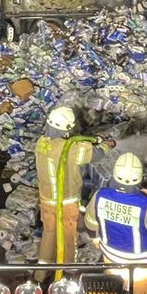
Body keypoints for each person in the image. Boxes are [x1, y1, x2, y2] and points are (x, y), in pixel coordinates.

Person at [84, 152, 147, 294]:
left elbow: (90, 223)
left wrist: (96, 240)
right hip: (141, 267)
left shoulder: (99, 196)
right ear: (139, 178)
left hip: (112, 261)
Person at [33, 106, 103, 279]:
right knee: (69, 234)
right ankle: (69, 268)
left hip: (46, 200)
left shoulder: (41, 143)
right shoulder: (69, 149)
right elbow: (96, 155)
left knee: (49, 232)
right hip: (66, 202)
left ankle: (41, 272)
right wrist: (107, 145)